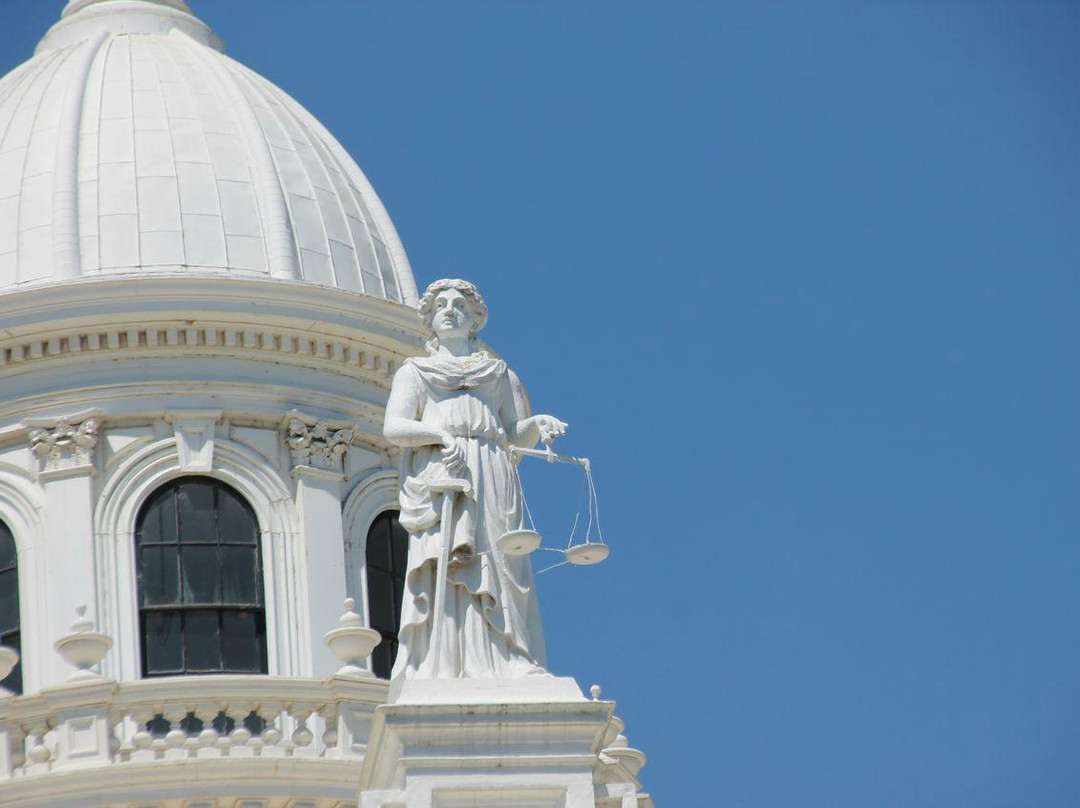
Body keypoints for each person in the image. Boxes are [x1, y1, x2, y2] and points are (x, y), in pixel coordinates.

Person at [383, 278, 567, 680]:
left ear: (475, 319)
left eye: (460, 305)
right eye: (441, 306)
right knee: (447, 559)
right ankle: (443, 660)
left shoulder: (500, 375)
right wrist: (438, 436)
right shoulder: (414, 373)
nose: (450, 309)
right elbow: (394, 427)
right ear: (430, 320)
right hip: (444, 468)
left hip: (492, 468)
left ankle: (510, 654)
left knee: (501, 559)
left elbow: (516, 434)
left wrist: (539, 423)